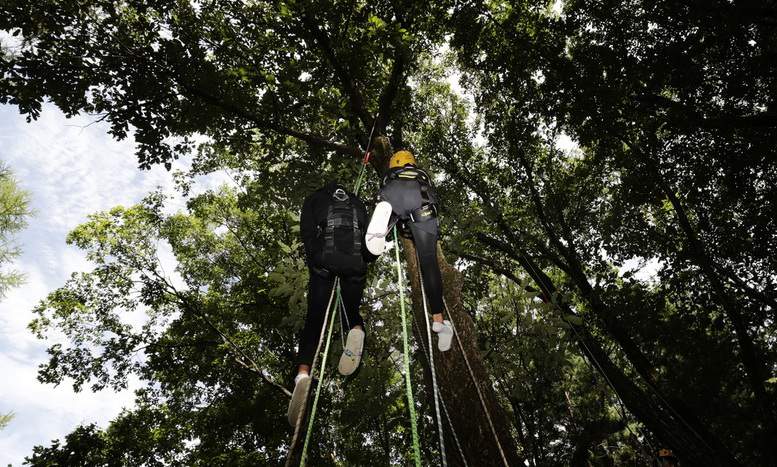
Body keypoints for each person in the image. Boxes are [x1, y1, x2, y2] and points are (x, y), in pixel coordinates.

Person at [287, 181, 380, 427]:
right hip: (354, 264)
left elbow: (307, 232)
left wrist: (315, 259)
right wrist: (365, 260)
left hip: (325, 263)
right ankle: (357, 330)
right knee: (351, 311)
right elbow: (370, 242)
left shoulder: (315, 197)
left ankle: (303, 372)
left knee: (314, 320)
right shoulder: (357, 203)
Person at [365, 149, 453, 351]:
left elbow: (387, 179)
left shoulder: (391, 175)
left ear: (394, 162)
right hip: (424, 205)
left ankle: (383, 222)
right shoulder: (422, 175)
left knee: (389, 208)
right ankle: (439, 320)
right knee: (428, 264)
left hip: (394, 193)